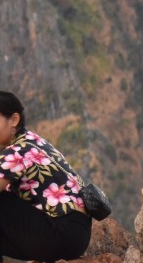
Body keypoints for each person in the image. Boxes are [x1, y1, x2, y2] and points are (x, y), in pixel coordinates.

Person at [0, 91, 92, 263]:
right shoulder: (34, 141)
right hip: (78, 237)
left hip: (59, 234)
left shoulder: (17, 151)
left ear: (14, 119)